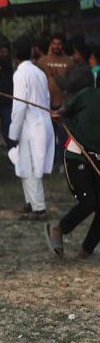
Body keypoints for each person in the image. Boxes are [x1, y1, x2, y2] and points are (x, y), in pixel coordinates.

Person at [46, 58, 100, 258]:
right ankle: (58, 229)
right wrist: (59, 115)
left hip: (98, 161)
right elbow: (66, 110)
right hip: (78, 156)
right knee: (89, 202)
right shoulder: (89, 95)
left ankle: (86, 250)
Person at [8, 37, 54, 220]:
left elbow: (19, 106)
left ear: (14, 56)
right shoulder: (38, 72)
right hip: (42, 122)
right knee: (24, 163)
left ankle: (39, 209)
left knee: (32, 166)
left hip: (31, 125)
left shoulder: (20, 74)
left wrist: (13, 132)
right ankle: (30, 203)